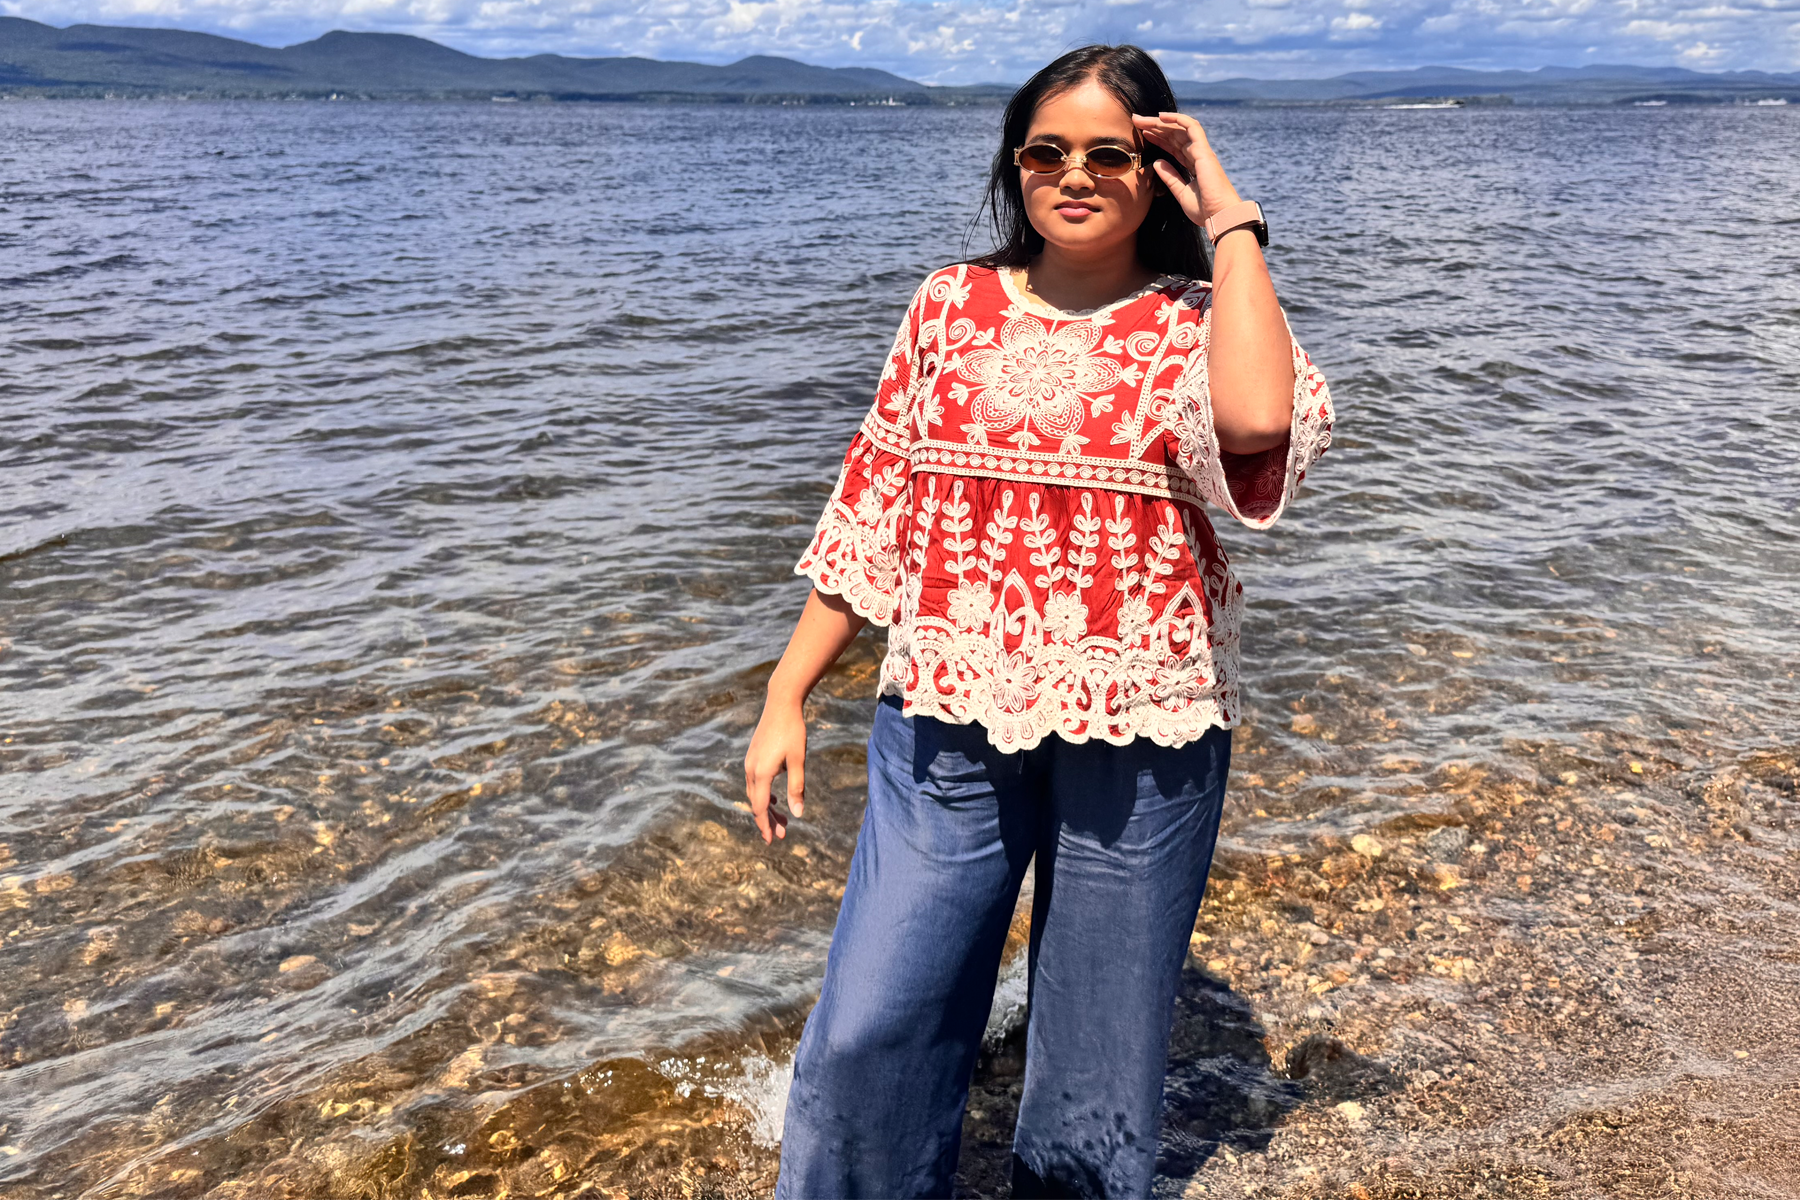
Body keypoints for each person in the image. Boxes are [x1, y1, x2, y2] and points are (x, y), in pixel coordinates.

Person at [744, 43, 1334, 1199]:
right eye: (1045, 151)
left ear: (1155, 165)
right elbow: (875, 503)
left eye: (1111, 154)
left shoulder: (1198, 320)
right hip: (947, 711)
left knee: (1098, 1064)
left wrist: (1230, 215)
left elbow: (1263, 422)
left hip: (1147, 724)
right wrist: (786, 691)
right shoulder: (947, 306)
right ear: (1015, 165)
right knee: (872, 1023)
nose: (1074, 174)